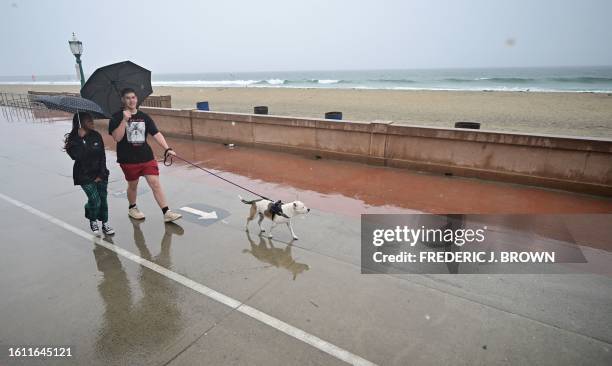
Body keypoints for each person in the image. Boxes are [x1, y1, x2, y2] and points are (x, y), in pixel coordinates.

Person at [108, 88, 182, 223]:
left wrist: (167, 148)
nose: (131, 100)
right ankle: (132, 207)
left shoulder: (144, 117)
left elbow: (156, 133)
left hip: (146, 156)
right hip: (128, 159)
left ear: (137, 99)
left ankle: (167, 212)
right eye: (128, 98)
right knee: (133, 185)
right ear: (123, 100)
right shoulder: (116, 117)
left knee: (155, 183)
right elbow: (117, 138)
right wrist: (124, 120)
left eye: (133, 97)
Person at [65, 112, 114, 235]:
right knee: (94, 200)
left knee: (103, 199)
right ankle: (92, 218)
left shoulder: (96, 135)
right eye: (88, 121)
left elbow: (102, 155)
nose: (92, 122)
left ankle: (105, 223)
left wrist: (101, 174)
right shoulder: (73, 139)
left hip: (100, 173)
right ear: (80, 123)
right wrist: (81, 140)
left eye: (92, 120)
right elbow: (76, 156)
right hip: (84, 175)